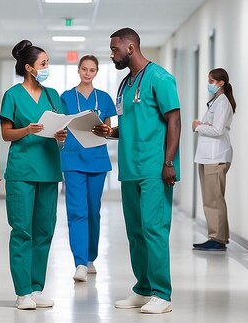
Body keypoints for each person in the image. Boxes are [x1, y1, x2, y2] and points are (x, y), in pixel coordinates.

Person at [93, 28, 181, 314]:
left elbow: (174, 121)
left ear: (130, 48)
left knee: (154, 229)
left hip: (155, 168)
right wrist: (110, 131)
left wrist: (168, 162)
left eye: (114, 49)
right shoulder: (125, 84)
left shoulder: (160, 78)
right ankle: (143, 289)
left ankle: (162, 294)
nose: (112, 54)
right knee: (135, 232)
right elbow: (133, 123)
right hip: (130, 169)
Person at [0, 40, 67, 310]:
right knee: (22, 231)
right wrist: (27, 130)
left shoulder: (53, 96)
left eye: (48, 63)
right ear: (29, 68)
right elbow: (6, 134)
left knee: (44, 231)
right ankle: (22, 291)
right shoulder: (12, 95)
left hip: (49, 170)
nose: (47, 68)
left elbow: (61, 131)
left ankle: (37, 287)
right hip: (22, 172)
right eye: (43, 64)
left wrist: (61, 136)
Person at [60, 55, 116, 282]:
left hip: (96, 159)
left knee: (93, 210)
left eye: (92, 70)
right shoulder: (65, 97)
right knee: (77, 211)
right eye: (84, 69)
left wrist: (104, 130)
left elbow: (109, 131)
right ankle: (80, 263)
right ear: (78, 70)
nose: (87, 73)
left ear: (96, 72)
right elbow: (60, 126)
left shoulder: (103, 98)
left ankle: (91, 258)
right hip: (72, 159)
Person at [192, 68, 236, 252]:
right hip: (208, 156)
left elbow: (217, 130)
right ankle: (216, 236)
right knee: (210, 199)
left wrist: (198, 126)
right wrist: (204, 125)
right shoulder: (216, 102)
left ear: (221, 83)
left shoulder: (223, 102)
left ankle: (218, 239)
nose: (209, 84)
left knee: (215, 199)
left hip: (215, 157)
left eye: (211, 81)